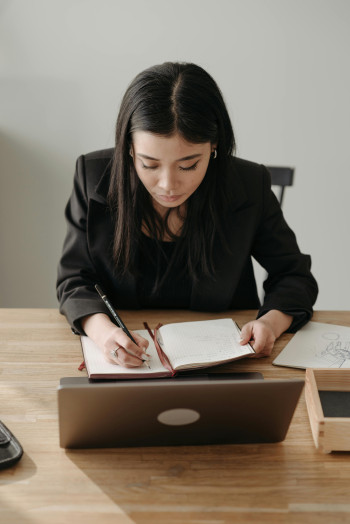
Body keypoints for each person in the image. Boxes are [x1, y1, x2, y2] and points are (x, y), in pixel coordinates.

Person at [56, 61, 318, 368]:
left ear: (214, 145)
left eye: (188, 165)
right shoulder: (93, 177)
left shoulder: (248, 185)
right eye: (149, 164)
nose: (168, 185)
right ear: (128, 148)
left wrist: (270, 325)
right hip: (129, 366)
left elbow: (294, 276)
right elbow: (74, 279)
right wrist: (103, 333)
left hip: (228, 364)